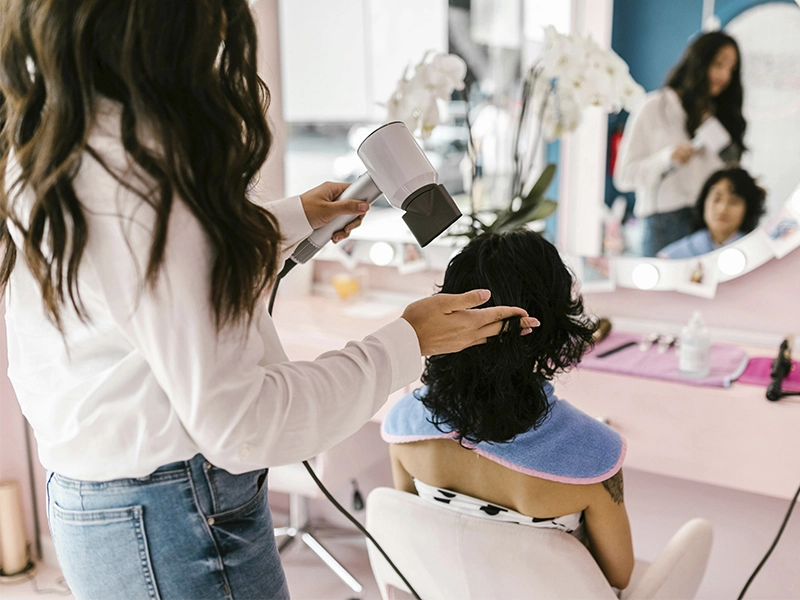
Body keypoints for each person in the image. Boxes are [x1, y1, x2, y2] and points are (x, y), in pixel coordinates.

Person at [0, 2, 538, 598]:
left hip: (92, 505)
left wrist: (278, 225)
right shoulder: (151, 182)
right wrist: (408, 342)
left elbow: (137, 290)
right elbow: (243, 422)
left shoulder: (55, 143)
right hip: (175, 516)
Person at [382, 230, 634, 590]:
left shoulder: (404, 426)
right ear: (551, 325)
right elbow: (619, 576)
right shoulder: (595, 457)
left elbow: (417, 535)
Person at [614, 31, 746, 257]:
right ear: (699, 61)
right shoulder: (654, 107)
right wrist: (666, 159)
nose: (724, 75)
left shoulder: (718, 117)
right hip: (662, 223)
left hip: (708, 226)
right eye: (718, 64)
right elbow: (624, 177)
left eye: (731, 70)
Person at [658, 167, 766, 259]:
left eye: (734, 201)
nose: (722, 209)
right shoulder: (672, 257)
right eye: (716, 199)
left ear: (748, 208)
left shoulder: (759, 254)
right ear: (704, 201)